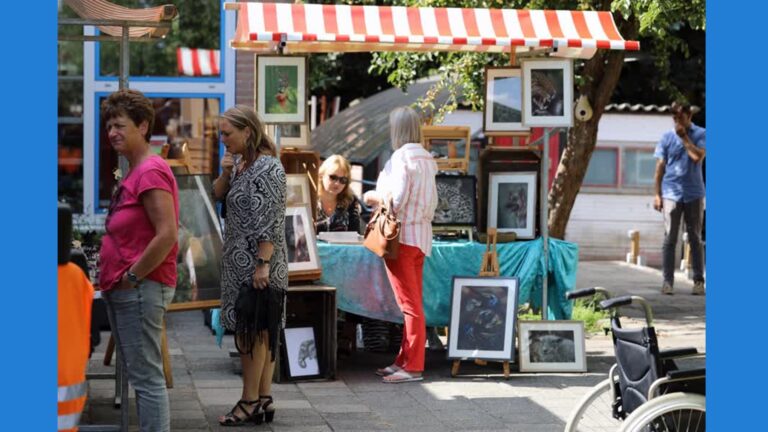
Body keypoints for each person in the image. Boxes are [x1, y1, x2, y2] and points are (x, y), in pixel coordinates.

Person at [98, 89, 180, 432]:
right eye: (109, 126)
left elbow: (167, 234)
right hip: (128, 288)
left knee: (147, 380)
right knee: (141, 375)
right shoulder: (135, 171)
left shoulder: (149, 171)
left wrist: (133, 275)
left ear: (143, 126)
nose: (112, 132)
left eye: (120, 125)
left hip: (140, 289)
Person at [212, 105, 288, 425]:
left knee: (252, 333)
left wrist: (262, 264)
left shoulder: (268, 167)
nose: (223, 139)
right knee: (258, 331)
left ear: (247, 131)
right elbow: (217, 195)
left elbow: (269, 220)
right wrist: (226, 171)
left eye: (227, 133)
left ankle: (249, 400)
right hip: (241, 261)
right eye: (220, 133)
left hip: (257, 262)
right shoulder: (241, 164)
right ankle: (264, 399)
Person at [363, 106, 438, 383]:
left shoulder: (401, 157)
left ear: (398, 130)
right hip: (420, 238)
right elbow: (433, 202)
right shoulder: (427, 158)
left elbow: (394, 200)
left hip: (400, 237)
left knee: (409, 305)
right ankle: (404, 360)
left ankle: (413, 366)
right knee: (413, 302)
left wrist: (372, 195)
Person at [653, 101, 706, 295]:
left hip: (694, 193)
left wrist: (684, 138)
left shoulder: (701, 134)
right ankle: (667, 282)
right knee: (669, 239)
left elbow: (697, 156)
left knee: (695, 238)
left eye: (681, 118)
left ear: (689, 116)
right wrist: (657, 193)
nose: (677, 122)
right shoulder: (666, 137)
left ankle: (698, 281)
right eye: (674, 118)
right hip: (670, 194)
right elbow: (660, 166)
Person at [315, 154, 361, 233]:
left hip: (342, 245)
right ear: (321, 175)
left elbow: (355, 235)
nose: (337, 183)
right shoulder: (310, 199)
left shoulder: (351, 201)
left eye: (343, 180)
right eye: (333, 177)